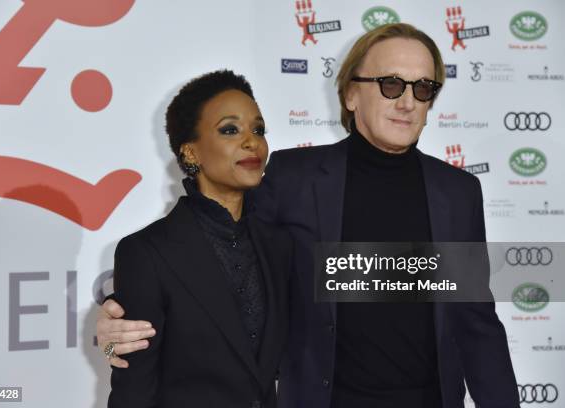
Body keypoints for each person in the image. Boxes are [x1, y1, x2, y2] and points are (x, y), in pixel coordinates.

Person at [98, 24, 519, 408]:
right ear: (351, 94)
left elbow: (476, 323)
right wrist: (121, 308)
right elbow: (222, 259)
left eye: (423, 88)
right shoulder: (292, 179)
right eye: (391, 84)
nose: (408, 102)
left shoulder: (458, 193)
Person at [105, 70, 292, 407]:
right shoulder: (147, 252)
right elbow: (133, 388)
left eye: (258, 129)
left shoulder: (279, 245)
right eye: (230, 130)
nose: (252, 141)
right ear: (190, 152)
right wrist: (106, 339)